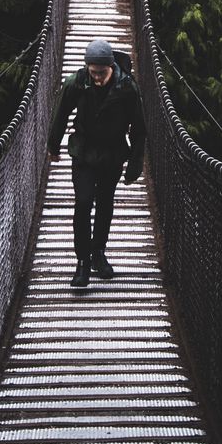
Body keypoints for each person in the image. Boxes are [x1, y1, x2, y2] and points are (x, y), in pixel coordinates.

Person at [47, 39, 146, 287]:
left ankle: (98, 253)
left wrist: (135, 163)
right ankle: (82, 261)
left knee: (104, 203)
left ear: (111, 67)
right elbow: (60, 114)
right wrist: (53, 145)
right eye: (94, 72)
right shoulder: (77, 83)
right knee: (82, 202)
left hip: (112, 153)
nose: (98, 78)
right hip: (84, 151)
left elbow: (139, 128)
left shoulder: (127, 88)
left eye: (102, 73)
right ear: (87, 68)